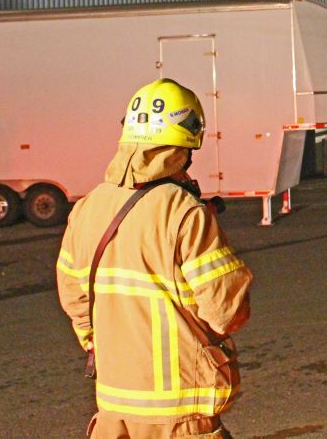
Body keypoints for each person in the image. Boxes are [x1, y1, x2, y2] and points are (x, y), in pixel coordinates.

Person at [57, 79, 253, 439]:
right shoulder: (184, 211)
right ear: (186, 143)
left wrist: (98, 340)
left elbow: (75, 299)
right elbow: (225, 311)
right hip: (179, 413)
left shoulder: (87, 207)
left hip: (113, 410)